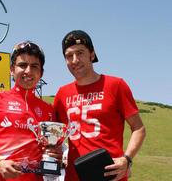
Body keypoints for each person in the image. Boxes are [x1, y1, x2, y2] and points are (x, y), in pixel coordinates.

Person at [53, 30, 146, 181]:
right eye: (69, 56)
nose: (75, 60)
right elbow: (54, 135)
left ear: (92, 54)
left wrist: (127, 160)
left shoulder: (116, 85)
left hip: (109, 175)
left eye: (80, 53)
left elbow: (139, 128)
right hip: (74, 176)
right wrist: (54, 151)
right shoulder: (62, 94)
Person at [0, 41, 58, 181]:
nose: (28, 71)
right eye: (22, 65)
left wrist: (55, 154)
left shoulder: (48, 110)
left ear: (41, 73)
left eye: (34, 66)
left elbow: (50, 150)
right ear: (12, 69)